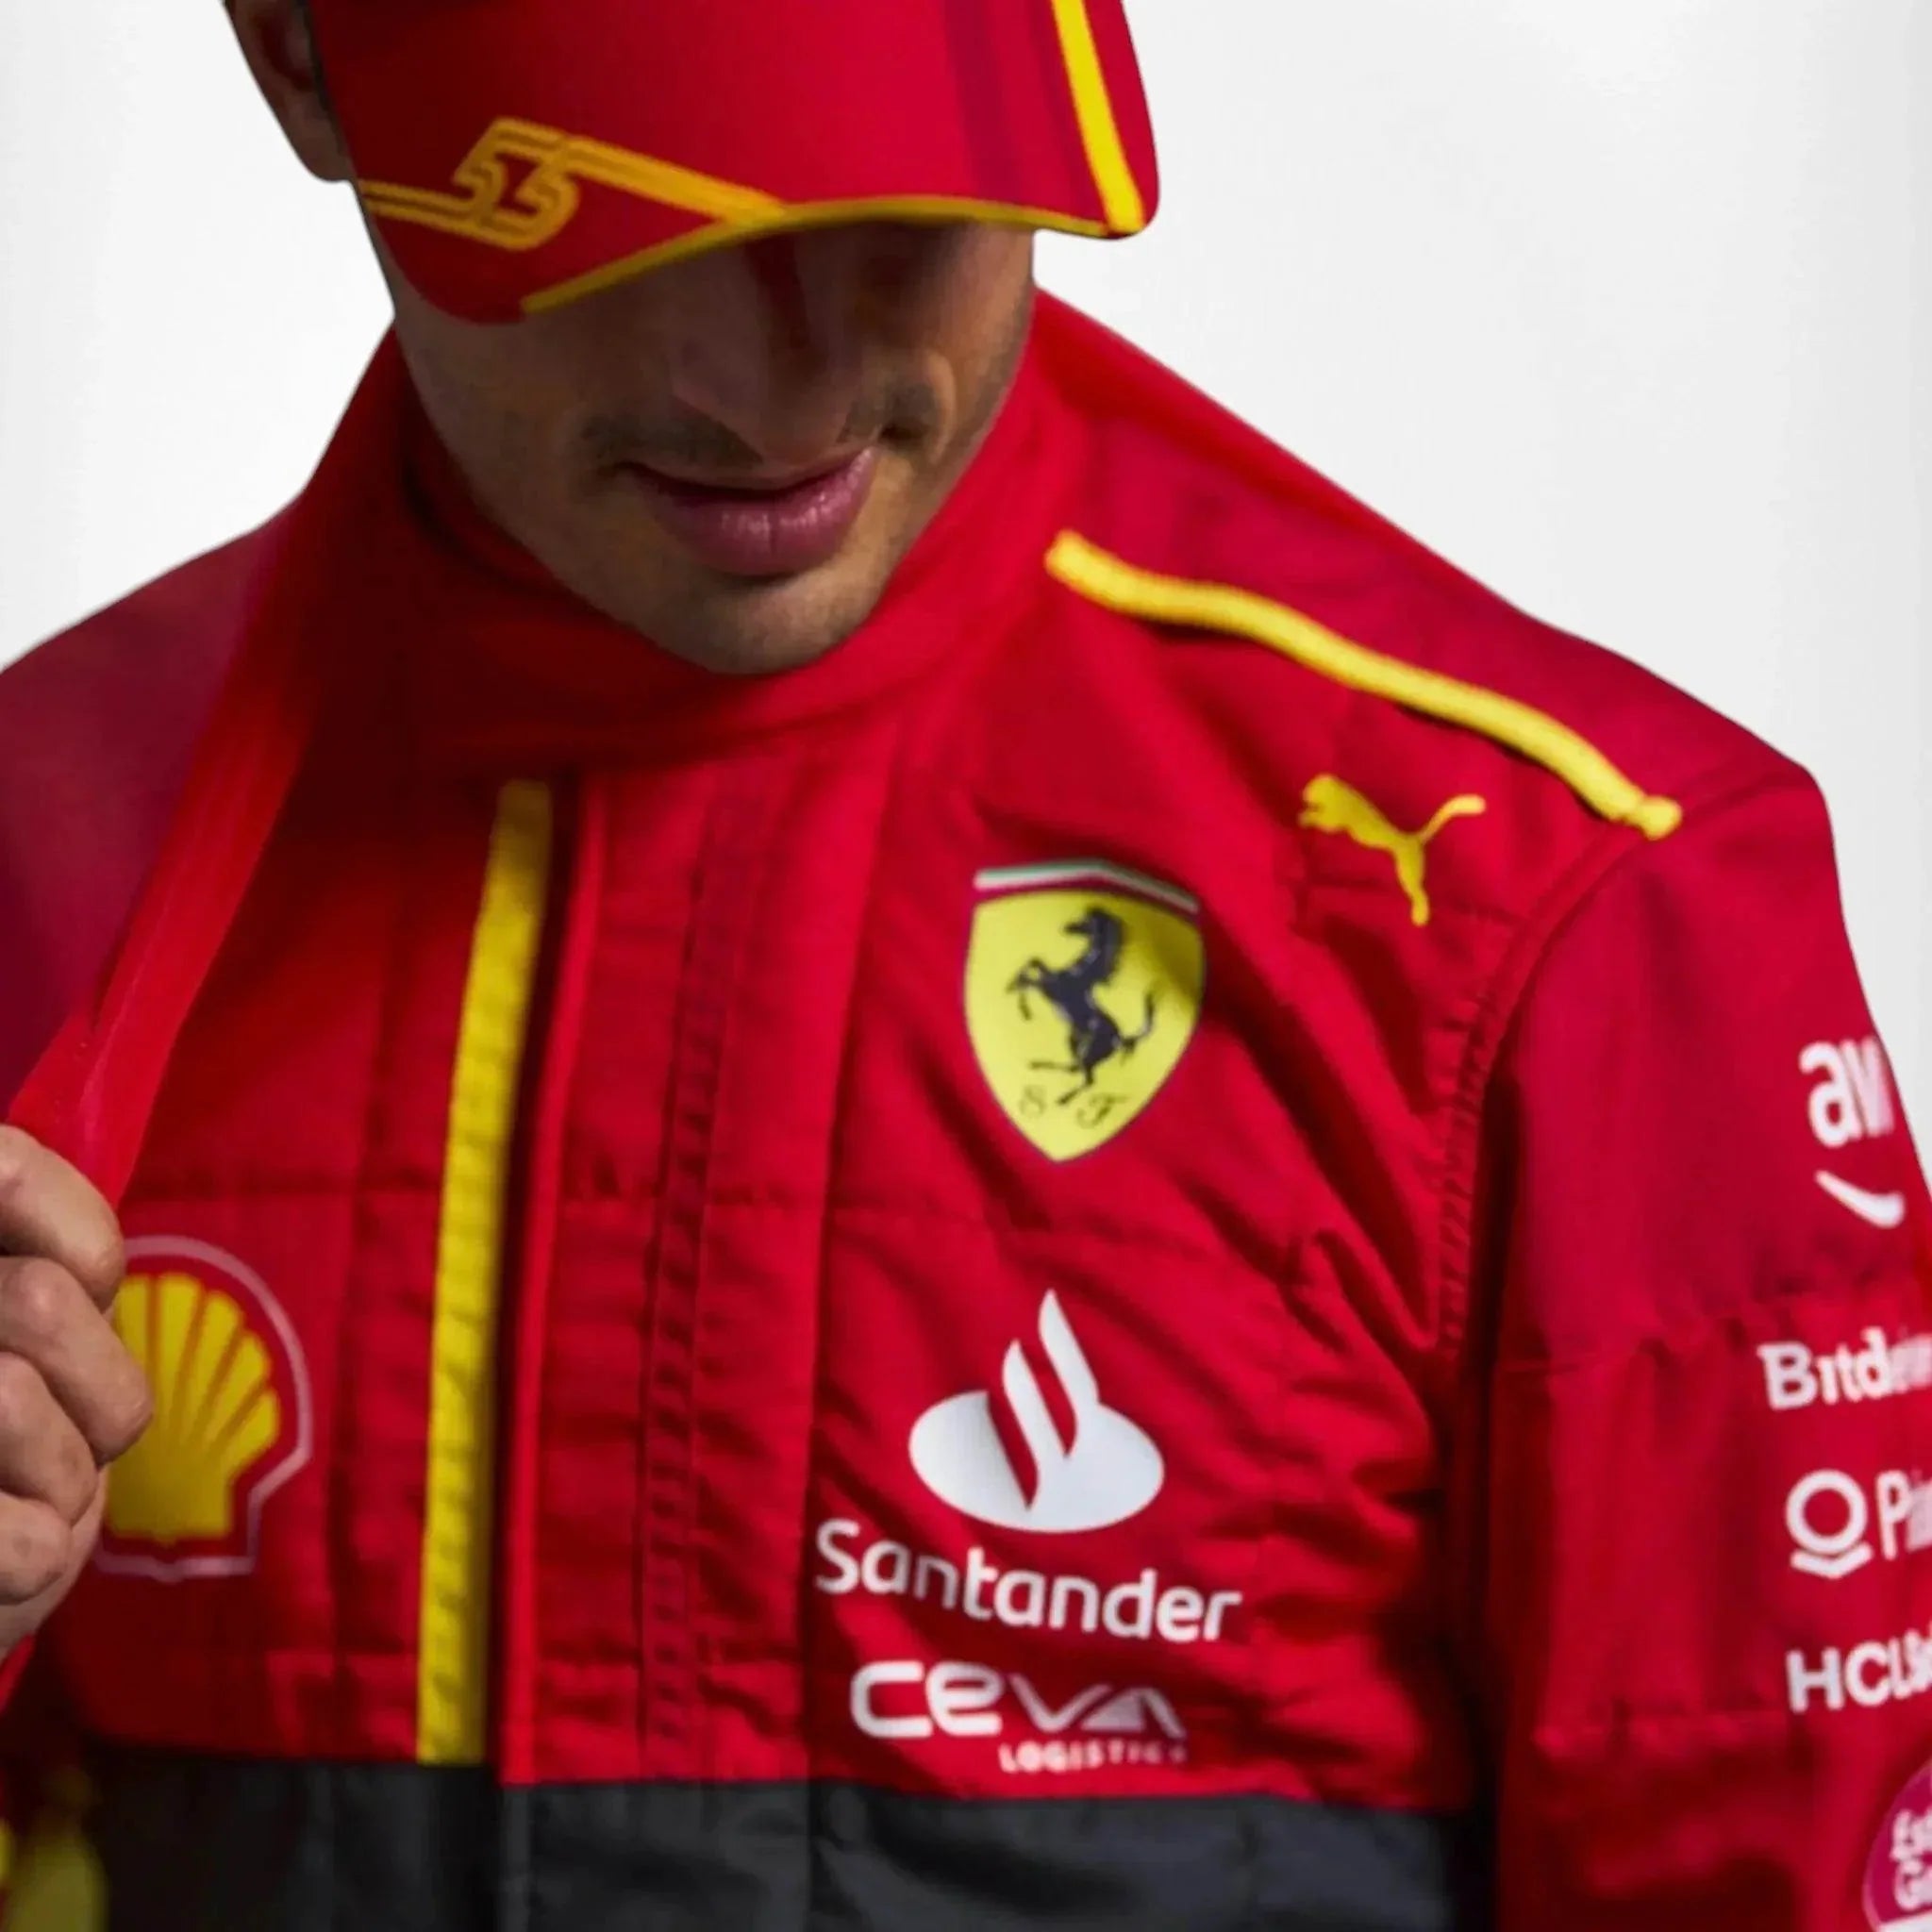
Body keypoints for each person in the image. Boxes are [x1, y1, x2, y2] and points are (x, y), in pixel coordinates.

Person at [0, 1, 1925, 1925]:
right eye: (615, 230)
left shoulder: (1564, 908)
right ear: (298, 57)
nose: (772, 399)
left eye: (890, 205)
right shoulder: (44, 843)